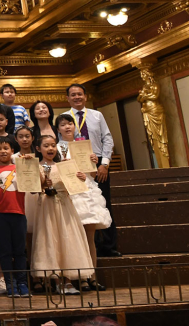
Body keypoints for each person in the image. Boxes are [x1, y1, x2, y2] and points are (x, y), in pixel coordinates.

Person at [55, 114, 112, 291]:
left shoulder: (85, 146)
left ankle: (92, 276)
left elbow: (92, 175)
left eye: (69, 123)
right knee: (72, 239)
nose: (67, 127)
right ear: (58, 129)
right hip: (69, 194)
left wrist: (93, 162)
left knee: (90, 238)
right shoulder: (56, 148)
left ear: (75, 126)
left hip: (86, 192)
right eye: (63, 125)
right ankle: (77, 277)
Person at [33, 133, 93, 295]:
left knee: (67, 240)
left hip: (65, 206)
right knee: (51, 240)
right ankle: (56, 281)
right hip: (48, 206)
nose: (50, 148)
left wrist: (80, 177)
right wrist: (44, 183)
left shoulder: (65, 165)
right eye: (46, 146)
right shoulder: (36, 166)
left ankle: (68, 281)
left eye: (53, 145)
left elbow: (74, 185)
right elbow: (33, 189)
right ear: (39, 149)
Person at [66, 83, 119, 257]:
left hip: (97, 163)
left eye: (79, 94)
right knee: (84, 205)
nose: (76, 97)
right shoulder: (65, 118)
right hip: (76, 165)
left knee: (104, 203)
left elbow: (108, 139)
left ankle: (109, 246)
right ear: (68, 98)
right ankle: (91, 246)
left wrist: (104, 163)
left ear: (86, 96)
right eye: (73, 95)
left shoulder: (97, 115)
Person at [0, 136, 29, 298]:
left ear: (13, 150)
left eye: (6, 148)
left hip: (19, 212)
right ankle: (10, 284)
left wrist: (29, 165)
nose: (3, 151)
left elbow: (33, 185)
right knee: (4, 252)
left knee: (20, 251)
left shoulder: (19, 166)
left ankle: (22, 283)